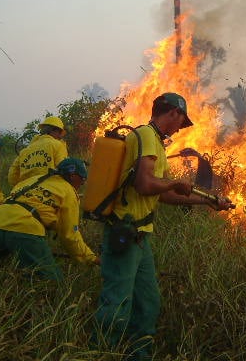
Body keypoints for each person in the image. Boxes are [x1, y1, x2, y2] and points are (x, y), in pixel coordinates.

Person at [94, 92, 234, 359]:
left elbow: (166, 195)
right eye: (181, 121)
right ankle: (101, 351)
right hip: (125, 230)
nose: (180, 128)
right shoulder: (146, 135)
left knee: (148, 303)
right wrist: (172, 183)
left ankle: (139, 355)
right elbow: (145, 185)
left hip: (141, 235)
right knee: (117, 302)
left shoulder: (157, 143)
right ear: (173, 113)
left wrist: (209, 202)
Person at [0, 157, 99, 281]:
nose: (83, 182)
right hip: (25, 229)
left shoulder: (33, 180)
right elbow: (70, 235)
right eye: (82, 178)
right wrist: (90, 258)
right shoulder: (68, 191)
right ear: (72, 175)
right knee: (52, 281)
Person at [7, 115, 68, 188]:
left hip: (24, 192)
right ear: (54, 130)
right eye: (60, 133)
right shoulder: (57, 145)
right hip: (49, 191)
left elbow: (12, 176)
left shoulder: (25, 150)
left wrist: (20, 187)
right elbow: (65, 170)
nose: (60, 137)